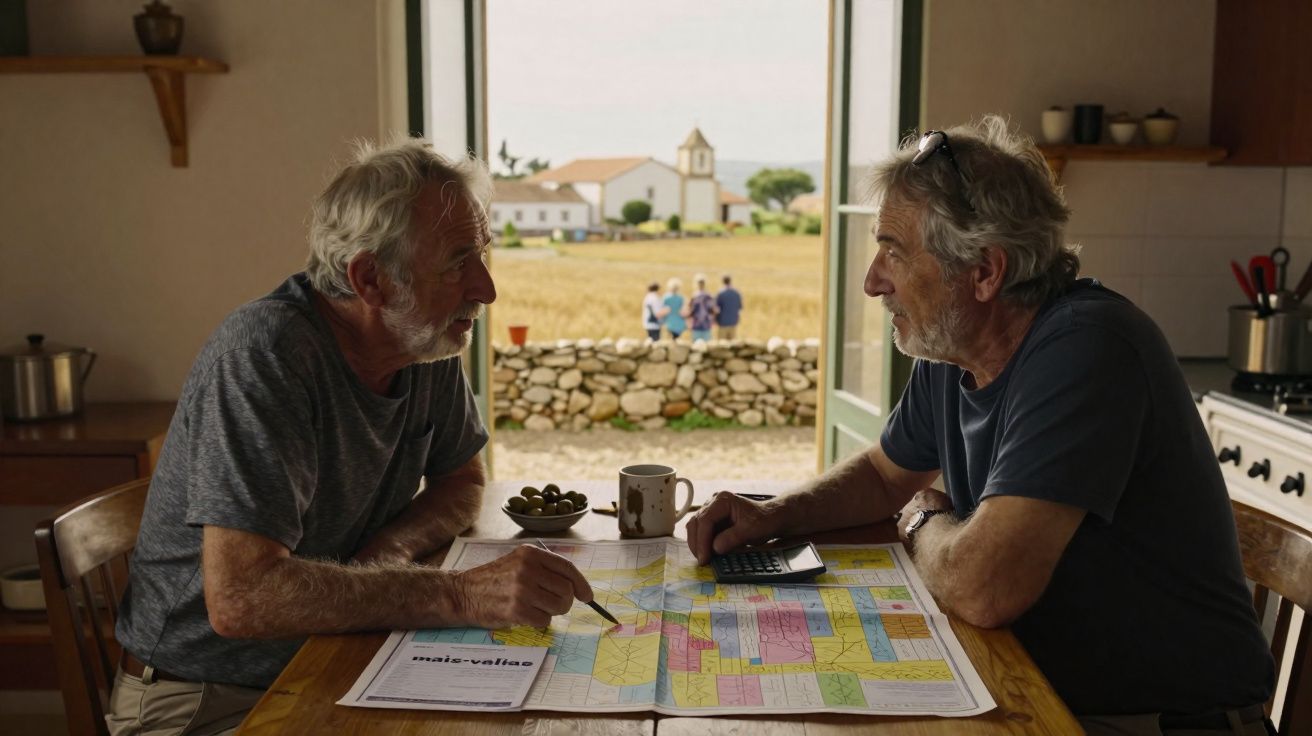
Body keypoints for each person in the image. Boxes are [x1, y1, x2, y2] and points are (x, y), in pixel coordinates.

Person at [686, 117, 1274, 735]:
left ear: (985, 272)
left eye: (893, 250)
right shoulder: (956, 347)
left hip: (1153, 723)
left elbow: (982, 588)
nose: (871, 281)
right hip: (1038, 689)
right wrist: (773, 514)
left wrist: (923, 520)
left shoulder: (1089, 349)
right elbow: (885, 476)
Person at [108, 138, 595, 736]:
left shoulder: (423, 337)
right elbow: (242, 597)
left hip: (344, 655)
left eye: (483, 253)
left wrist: (389, 552)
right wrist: (460, 596)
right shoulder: (265, 356)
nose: (485, 288)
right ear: (371, 280)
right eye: (456, 261)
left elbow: (461, 479)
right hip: (208, 695)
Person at [683, 273, 718, 342]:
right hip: (706, 325)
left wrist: (688, 322)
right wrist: (713, 321)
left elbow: (690, 311)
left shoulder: (694, 296)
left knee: (696, 346)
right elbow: (713, 310)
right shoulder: (708, 296)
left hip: (696, 325)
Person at [714, 274, 742, 339]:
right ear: (730, 281)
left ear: (723, 281)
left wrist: (715, 320)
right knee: (733, 346)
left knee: (722, 346)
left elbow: (716, 309)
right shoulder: (736, 293)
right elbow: (739, 308)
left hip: (723, 323)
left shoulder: (720, 293)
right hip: (733, 322)